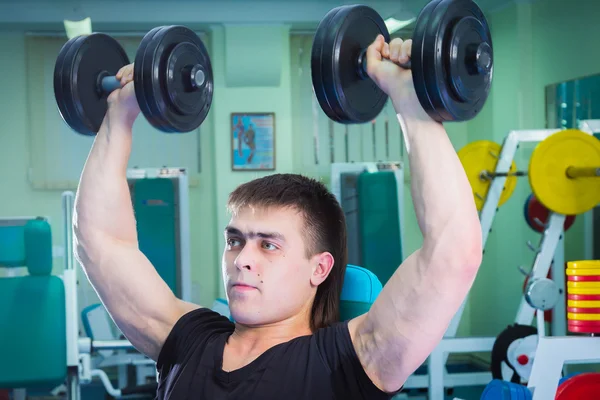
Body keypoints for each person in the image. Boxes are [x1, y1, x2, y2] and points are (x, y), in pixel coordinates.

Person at [73, 35, 482, 399]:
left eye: (268, 244)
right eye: (235, 240)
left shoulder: (346, 362)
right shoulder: (187, 338)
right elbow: (101, 243)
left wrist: (407, 97)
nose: (242, 259)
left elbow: (453, 254)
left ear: (319, 268)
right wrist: (119, 113)